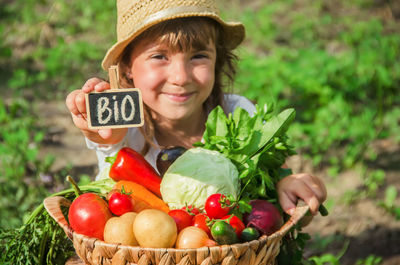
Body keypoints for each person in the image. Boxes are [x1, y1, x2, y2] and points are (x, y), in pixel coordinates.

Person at [66, 0, 326, 217]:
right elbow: (107, 137)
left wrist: (286, 183)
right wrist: (100, 130)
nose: (181, 77)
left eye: (199, 56)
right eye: (159, 56)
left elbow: (271, 174)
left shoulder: (237, 115)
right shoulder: (125, 127)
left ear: (217, 59)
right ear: (126, 68)